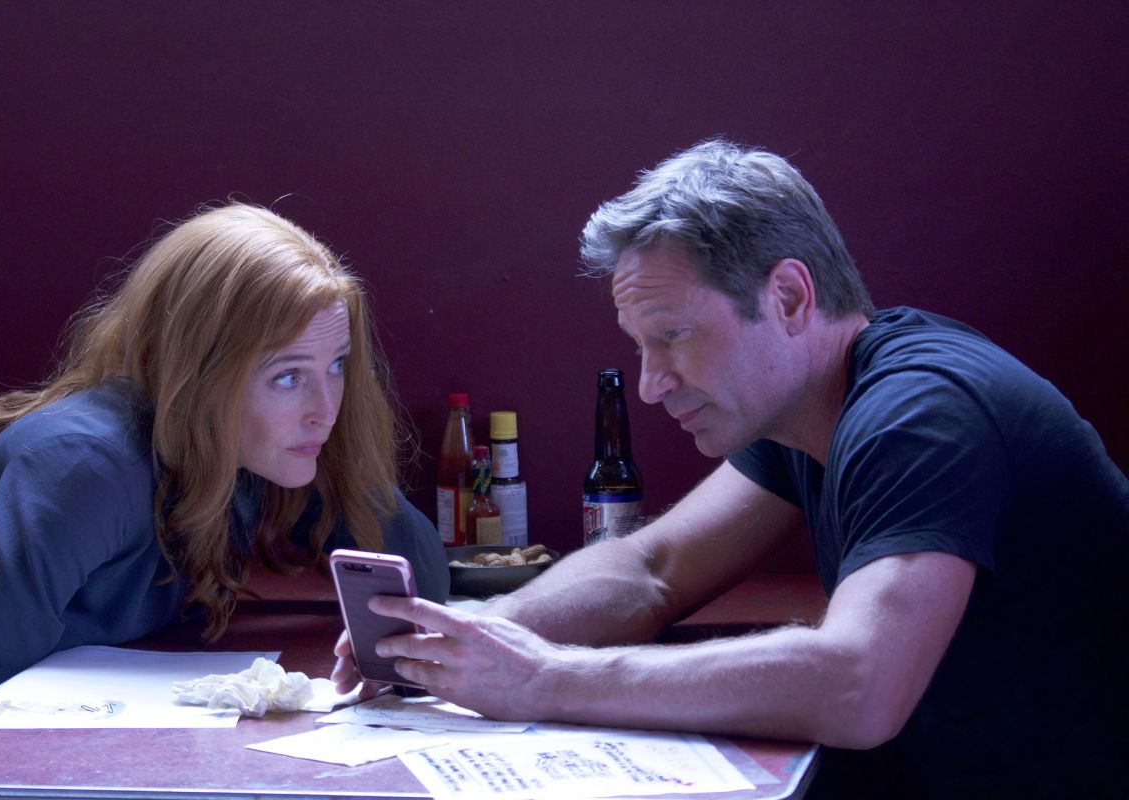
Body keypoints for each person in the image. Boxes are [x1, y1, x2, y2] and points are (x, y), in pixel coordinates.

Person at [332, 140, 1129, 798]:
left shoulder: (920, 414)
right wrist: (469, 637)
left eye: (673, 335)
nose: (651, 384)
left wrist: (545, 679)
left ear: (788, 299)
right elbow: (652, 569)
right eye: (641, 346)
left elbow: (859, 683)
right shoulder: (806, 407)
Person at [0, 203, 448, 728]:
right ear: (199, 372)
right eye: (288, 376)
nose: (326, 409)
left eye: (337, 365)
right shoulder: (82, 466)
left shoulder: (240, 447)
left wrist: (343, 461)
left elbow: (426, 585)